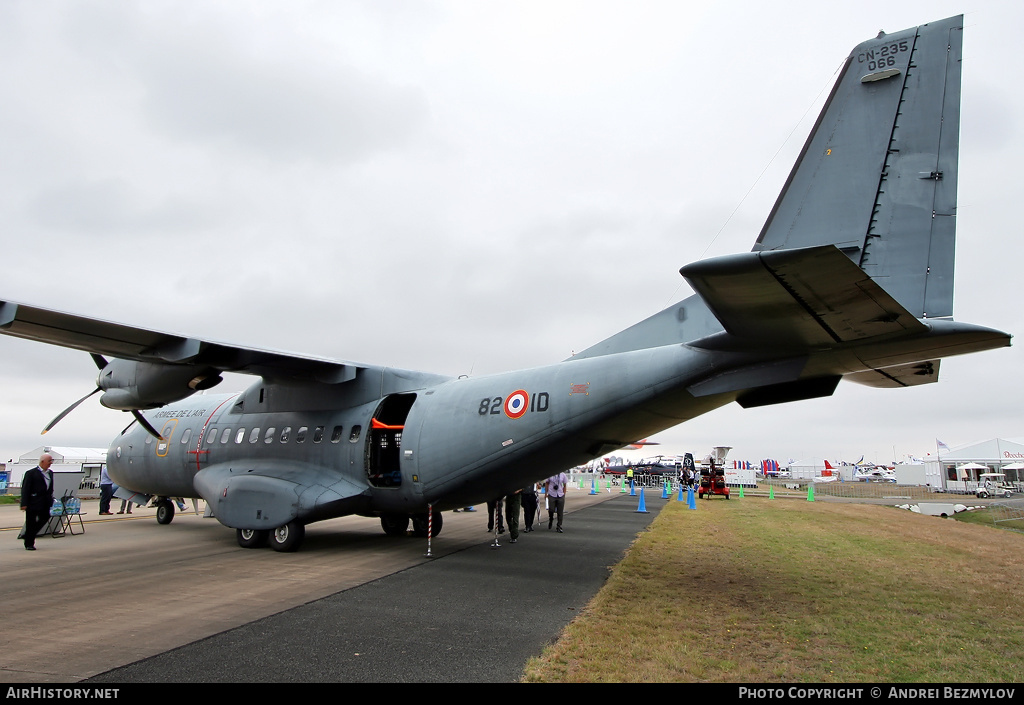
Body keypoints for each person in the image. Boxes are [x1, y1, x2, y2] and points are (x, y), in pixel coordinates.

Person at [20, 453, 55, 550]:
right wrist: (24, 503)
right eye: (49, 461)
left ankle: (28, 535)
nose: (50, 463)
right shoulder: (31, 473)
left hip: (45, 502)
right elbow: (25, 489)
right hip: (33, 502)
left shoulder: (50, 473)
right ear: (42, 462)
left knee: (45, 517)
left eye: (51, 461)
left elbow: (50, 487)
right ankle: (29, 544)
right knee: (30, 522)